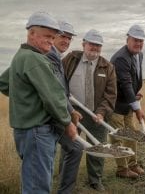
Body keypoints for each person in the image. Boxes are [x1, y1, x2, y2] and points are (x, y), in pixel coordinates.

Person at [0, 11, 77, 194]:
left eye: (53, 37)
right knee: (38, 186)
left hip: (26, 132)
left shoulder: (21, 56)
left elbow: (4, 83)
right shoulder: (35, 59)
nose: (51, 41)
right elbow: (53, 97)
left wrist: (27, 100)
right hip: (37, 131)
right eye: (47, 36)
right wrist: (67, 123)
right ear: (31, 33)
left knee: (33, 179)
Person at [63, 29, 117, 191]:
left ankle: (95, 180)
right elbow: (59, 82)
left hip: (96, 113)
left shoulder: (107, 67)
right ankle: (66, 179)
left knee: (98, 145)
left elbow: (110, 94)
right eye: (91, 44)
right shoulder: (70, 59)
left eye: (98, 45)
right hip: (72, 111)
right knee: (70, 146)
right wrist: (67, 108)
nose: (94, 48)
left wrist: (101, 112)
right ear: (84, 44)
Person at [46, 20, 83, 194]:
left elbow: (61, 91)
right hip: (50, 117)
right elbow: (54, 93)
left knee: (74, 148)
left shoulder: (57, 57)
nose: (66, 41)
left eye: (69, 38)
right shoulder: (48, 56)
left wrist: (72, 110)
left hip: (57, 114)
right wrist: (68, 114)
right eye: (62, 36)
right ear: (53, 36)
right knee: (47, 159)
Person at [108, 24, 145, 179]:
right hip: (116, 105)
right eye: (135, 40)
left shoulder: (139, 55)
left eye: (141, 41)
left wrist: (135, 95)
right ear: (128, 39)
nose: (138, 43)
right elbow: (125, 83)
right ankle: (122, 169)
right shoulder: (121, 58)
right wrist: (137, 109)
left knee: (131, 135)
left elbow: (132, 80)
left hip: (128, 103)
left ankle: (132, 164)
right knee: (118, 137)